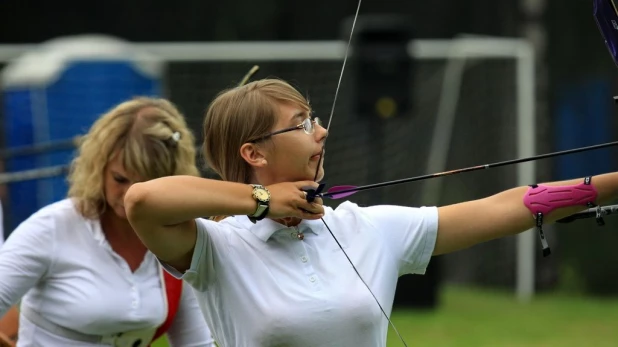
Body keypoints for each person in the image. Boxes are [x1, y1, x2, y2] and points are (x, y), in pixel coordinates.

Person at [124, 78, 618, 347]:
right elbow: (143, 202)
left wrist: (610, 184)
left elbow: (507, 206)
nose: (321, 133)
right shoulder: (217, 249)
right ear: (254, 154)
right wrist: (262, 202)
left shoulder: (367, 229)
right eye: (301, 125)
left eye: (314, 119)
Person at [0, 97, 216, 347]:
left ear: (170, 180)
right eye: (120, 179)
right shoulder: (50, 227)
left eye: (145, 185)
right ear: (98, 167)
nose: (129, 197)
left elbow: (195, 342)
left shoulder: (181, 236)